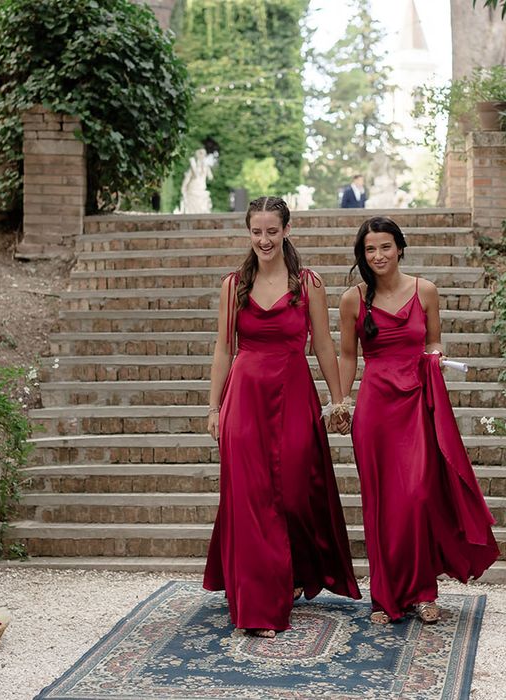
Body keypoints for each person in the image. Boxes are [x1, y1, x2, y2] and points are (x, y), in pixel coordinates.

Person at [203, 196, 361, 638]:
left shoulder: (308, 284)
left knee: (292, 494)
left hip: (294, 395)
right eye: (257, 231)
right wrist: (214, 407)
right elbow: (223, 349)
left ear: (287, 231)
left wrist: (339, 399)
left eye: (272, 231)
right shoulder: (233, 285)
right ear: (248, 233)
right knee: (251, 500)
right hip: (245, 398)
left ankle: (291, 574)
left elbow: (325, 346)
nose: (264, 239)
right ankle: (258, 604)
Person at [338, 216, 499, 625]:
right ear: (363, 254)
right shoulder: (352, 300)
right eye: (370, 249)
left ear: (400, 248)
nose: (378, 255)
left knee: (417, 497)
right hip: (375, 410)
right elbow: (346, 356)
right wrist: (340, 401)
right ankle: (385, 598)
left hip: (416, 405)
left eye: (386, 247)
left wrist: (436, 356)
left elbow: (433, 339)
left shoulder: (425, 290)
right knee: (380, 504)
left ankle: (424, 590)